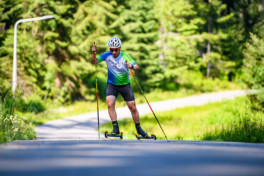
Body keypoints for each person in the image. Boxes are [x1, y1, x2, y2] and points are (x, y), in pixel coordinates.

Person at [91, 36, 148, 137]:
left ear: (120, 48)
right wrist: (93, 53)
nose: (113, 52)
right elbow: (94, 61)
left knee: (133, 107)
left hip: (125, 85)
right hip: (112, 84)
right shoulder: (107, 55)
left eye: (115, 49)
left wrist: (131, 66)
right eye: (111, 49)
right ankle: (115, 128)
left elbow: (136, 66)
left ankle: (139, 129)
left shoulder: (125, 55)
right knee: (110, 104)